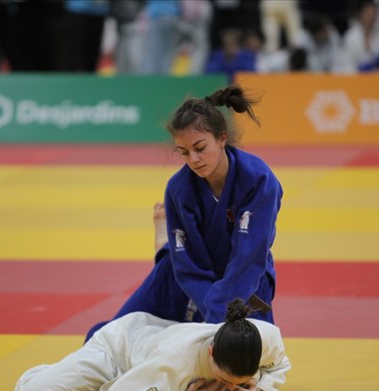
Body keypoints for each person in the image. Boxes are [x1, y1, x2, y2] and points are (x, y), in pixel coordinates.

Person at [85, 84, 283, 340]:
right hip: (185, 276)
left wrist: (220, 317)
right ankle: (164, 247)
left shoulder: (258, 179)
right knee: (108, 339)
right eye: (184, 153)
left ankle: (163, 244)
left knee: (246, 352)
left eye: (200, 148)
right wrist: (215, 319)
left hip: (246, 282)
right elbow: (187, 267)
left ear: (222, 138)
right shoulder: (179, 189)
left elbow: (249, 256)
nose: (193, 160)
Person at [14, 299, 291, 391]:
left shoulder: (262, 337)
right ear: (211, 352)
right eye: (224, 380)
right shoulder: (170, 365)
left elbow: (280, 363)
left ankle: (122, 385)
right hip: (115, 353)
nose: (231, 390)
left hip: (152, 341)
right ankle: (68, 370)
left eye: (239, 383)